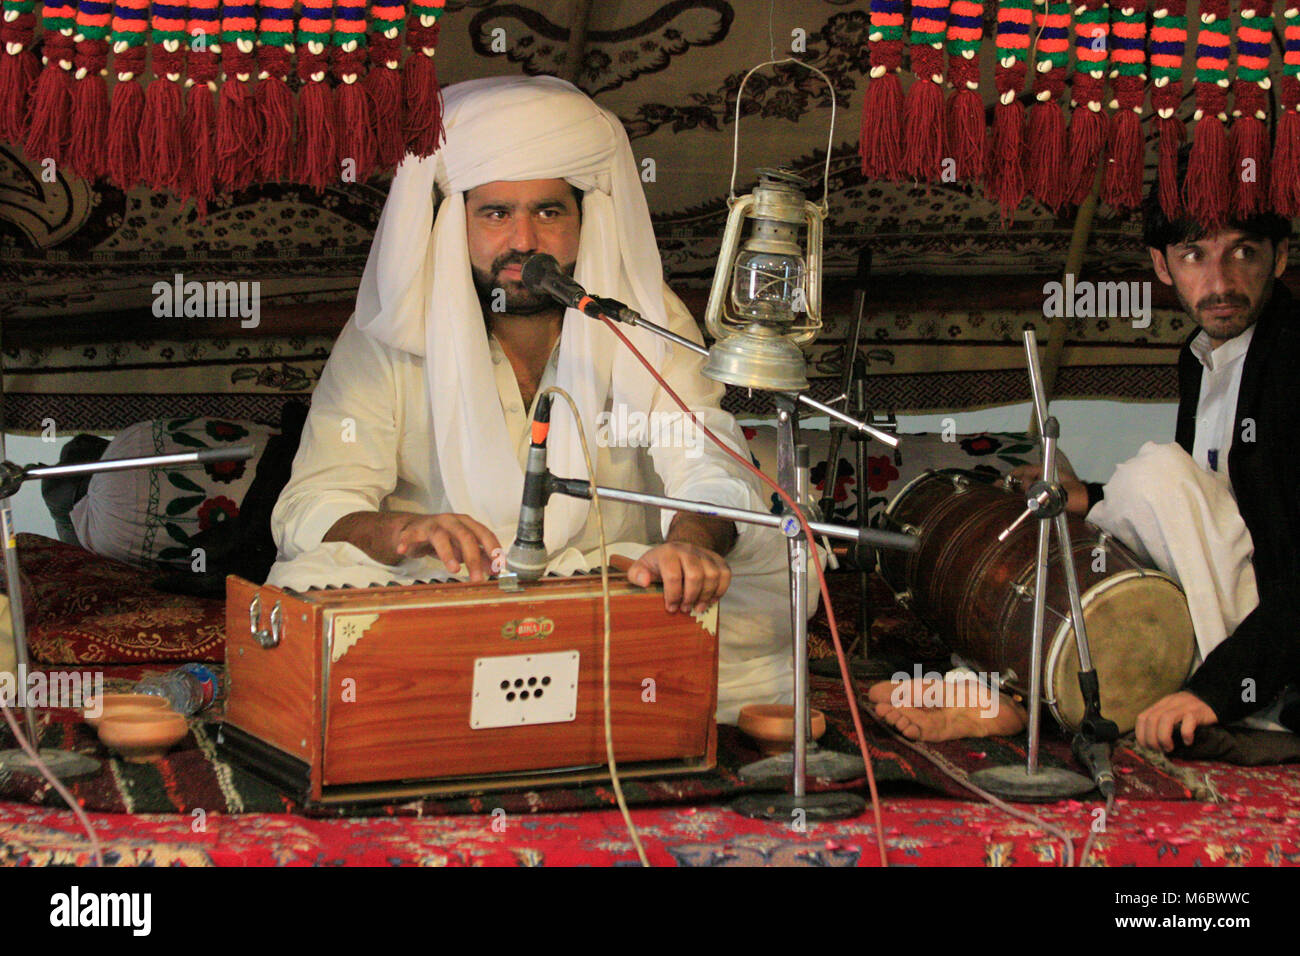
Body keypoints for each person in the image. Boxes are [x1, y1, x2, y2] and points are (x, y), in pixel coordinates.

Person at [268, 76, 816, 723]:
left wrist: (690, 544)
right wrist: (404, 531)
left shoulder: (640, 319)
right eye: (496, 213)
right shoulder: (389, 334)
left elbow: (705, 459)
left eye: (549, 212)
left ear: (586, 220)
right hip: (445, 591)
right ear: (455, 224)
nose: (523, 241)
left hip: (616, 589)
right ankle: (599, 700)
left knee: (780, 568)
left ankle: (458, 704)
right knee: (301, 586)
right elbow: (310, 505)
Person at [873, 160, 1298, 752]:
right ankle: (1013, 691)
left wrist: (1217, 693)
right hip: (1245, 616)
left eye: (1244, 253)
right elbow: (1221, 504)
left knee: (1155, 474)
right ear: (1162, 265)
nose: (1221, 281)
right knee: (1077, 522)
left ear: (1279, 258)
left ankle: (1040, 698)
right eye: (1195, 255)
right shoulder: (1202, 354)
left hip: (1279, 664)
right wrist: (1090, 498)